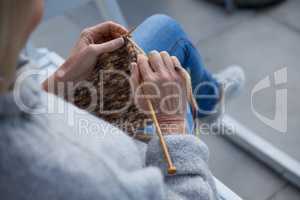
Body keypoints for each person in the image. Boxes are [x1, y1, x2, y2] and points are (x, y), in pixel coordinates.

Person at [0, 0, 244, 199]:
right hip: (141, 156)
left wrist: (61, 81)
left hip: (66, 114)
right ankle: (209, 101)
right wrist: (171, 119)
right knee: (173, 57)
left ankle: (209, 100)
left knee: (165, 30)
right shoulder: (83, 174)